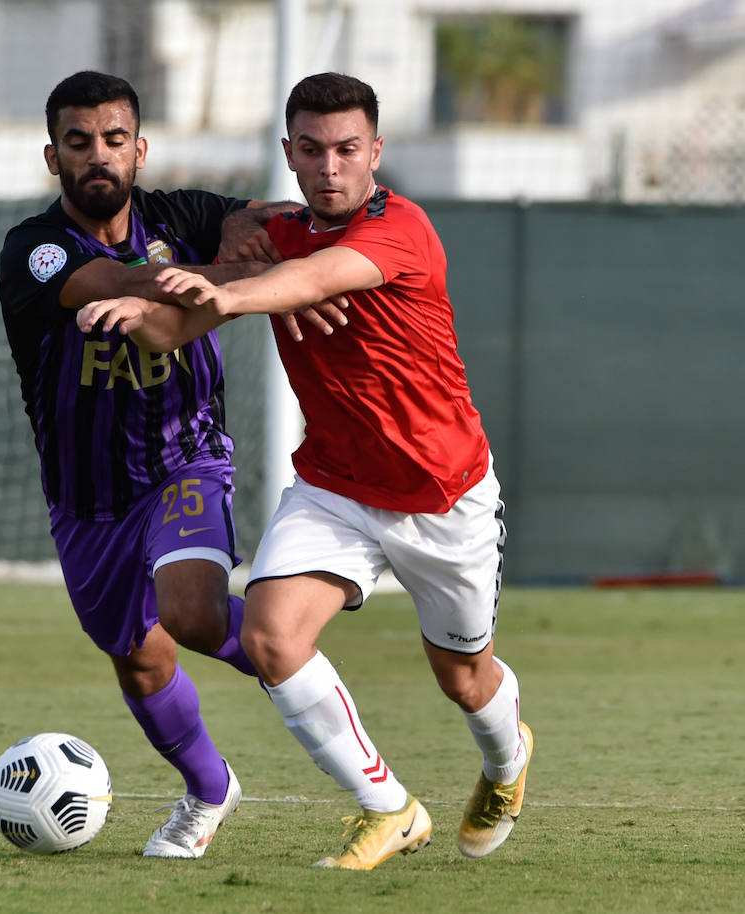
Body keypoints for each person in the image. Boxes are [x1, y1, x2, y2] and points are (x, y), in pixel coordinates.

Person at [77, 72, 531, 870]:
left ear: (376, 152)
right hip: (333, 489)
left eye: (348, 149)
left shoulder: (402, 228)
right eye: (313, 150)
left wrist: (230, 289)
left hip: (442, 496)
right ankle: (387, 807)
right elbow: (184, 319)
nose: (330, 167)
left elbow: (310, 281)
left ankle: (505, 763)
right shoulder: (280, 234)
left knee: (464, 680)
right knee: (270, 633)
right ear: (289, 153)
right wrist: (136, 316)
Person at [0, 70, 345, 858]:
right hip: (87, 500)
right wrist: (251, 278)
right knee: (141, 661)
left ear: (140, 149)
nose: (99, 156)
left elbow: (277, 224)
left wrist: (289, 249)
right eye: (79, 142)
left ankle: (284, 656)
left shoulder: (185, 214)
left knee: (190, 612)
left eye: (114, 140)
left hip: (186, 459)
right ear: (52, 158)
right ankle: (210, 790)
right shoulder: (35, 250)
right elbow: (122, 283)